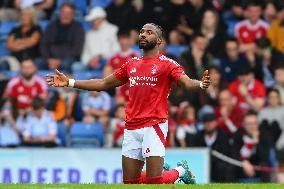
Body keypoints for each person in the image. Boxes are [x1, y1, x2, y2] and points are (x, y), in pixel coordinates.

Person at [47, 23, 211, 184]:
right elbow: (103, 83)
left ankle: (180, 171)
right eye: (142, 31)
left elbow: (187, 83)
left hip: (154, 125)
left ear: (159, 41)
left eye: (149, 32)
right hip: (132, 126)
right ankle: (172, 172)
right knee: (131, 182)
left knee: (154, 182)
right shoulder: (131, 64)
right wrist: (70, 83)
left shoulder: (167, 64)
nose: (143, 34)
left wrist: (201, 84)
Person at [232, 111, 281, 182]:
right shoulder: (238, 134)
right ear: (244, 125)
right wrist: (243, 162)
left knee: (265, 165)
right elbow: (234, 153)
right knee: (230, 168)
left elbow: (265, 157)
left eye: (254, 123)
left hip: (258, 166)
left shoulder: (264, 135)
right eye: (249, 124)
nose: (252, 126)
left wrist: (256, 141)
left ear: (258, 124)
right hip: (242, 166)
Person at [40, 3, 84, 72]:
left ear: (73, 15)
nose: (66, 15)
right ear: (60, 13)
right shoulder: (51, 26)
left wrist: (59, 61)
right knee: (36, 63)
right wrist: (49, 59)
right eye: (64, 12)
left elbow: (77, 49)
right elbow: (44, 44)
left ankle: (65, 82)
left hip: (68, 59)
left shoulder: (78, 27)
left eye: (69, 13)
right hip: (50, 59)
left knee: (67, 64)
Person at [193, 113, 232, 182]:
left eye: (211, 122)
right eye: (206, 122)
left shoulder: (223, 136)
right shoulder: (198, 137)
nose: (208, 124)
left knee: (222, 167)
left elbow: (225, 153)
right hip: (202, 165)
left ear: (215, 123)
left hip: (218, 167)